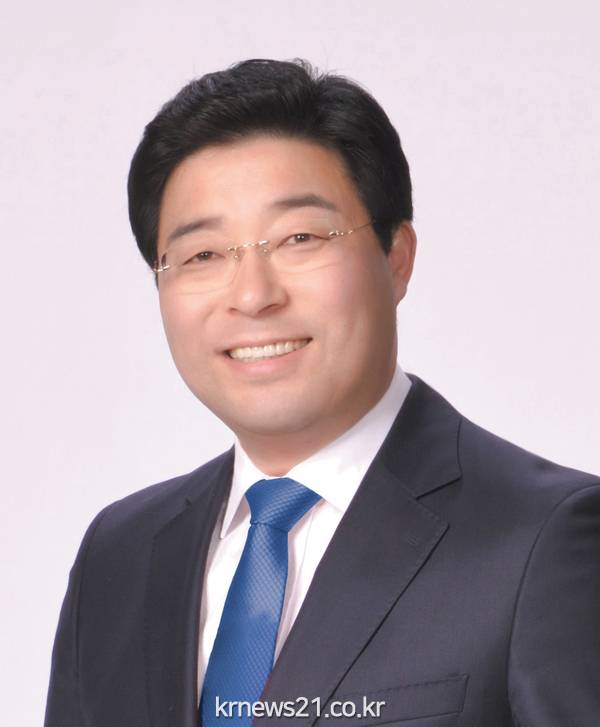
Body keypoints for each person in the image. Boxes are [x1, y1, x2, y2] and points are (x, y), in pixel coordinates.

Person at [44, 58, 600, 727]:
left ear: (397, 258)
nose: (253, 295)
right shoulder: (119, 556)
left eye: (300, 238)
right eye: (203, 255)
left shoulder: (547, 539)